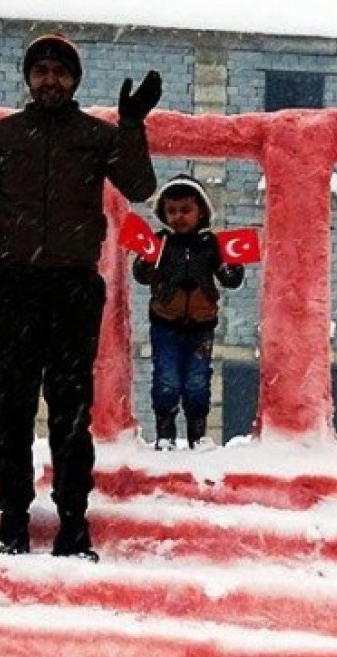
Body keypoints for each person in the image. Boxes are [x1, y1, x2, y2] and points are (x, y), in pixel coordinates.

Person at [0, 34, 160, 559]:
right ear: (28, 79)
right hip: (14, 285)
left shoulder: (95, 136)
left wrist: (131, 127)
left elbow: (140, 186)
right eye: (42, 71)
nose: (51, 79)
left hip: (74, 287)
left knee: (71, 408)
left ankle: (72, 524)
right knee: (12, 408)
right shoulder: (3, 137)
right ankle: (12, 519)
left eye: (61, 71)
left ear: (75, 80)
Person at [132, 174, 245, 450]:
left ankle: (198, 435)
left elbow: (231, 279)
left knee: (197, 382)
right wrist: (146, 264)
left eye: (185, 210)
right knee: (166, 380)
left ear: (201, 212)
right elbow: (141, 274)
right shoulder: (159, 243)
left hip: (201, 327)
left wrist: (232, 267)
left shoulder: (212, 245)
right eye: (172, 211)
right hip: (165, 324)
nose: (178, 217)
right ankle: (165, 435)